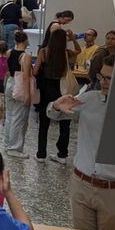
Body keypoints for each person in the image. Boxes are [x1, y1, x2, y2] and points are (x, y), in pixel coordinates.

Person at [47, 55, 115, 230]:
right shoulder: (89, 99)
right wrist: (55, 106)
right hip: (82, 184)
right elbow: (55, 115)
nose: (103, 82)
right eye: (101, 76)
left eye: (109, 78)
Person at [35, 28, 72, 164]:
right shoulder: (65, 54)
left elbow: (35, 70)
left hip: (46, 89)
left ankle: (41, 154)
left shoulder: (44, 51)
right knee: (65, 123)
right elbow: (68, 68)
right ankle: (62, 154)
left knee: (44, 124)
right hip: (62, 90)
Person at [4, 31, 33, 158]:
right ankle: (14, 147)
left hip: (10, 83)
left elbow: (7, 71)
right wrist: (27, 94)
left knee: (10, 115)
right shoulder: (26, 56)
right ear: (25, 40)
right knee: (19, 117)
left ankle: (8, 143)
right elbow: (26, 77)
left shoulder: (10, 52)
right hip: (20, 84)